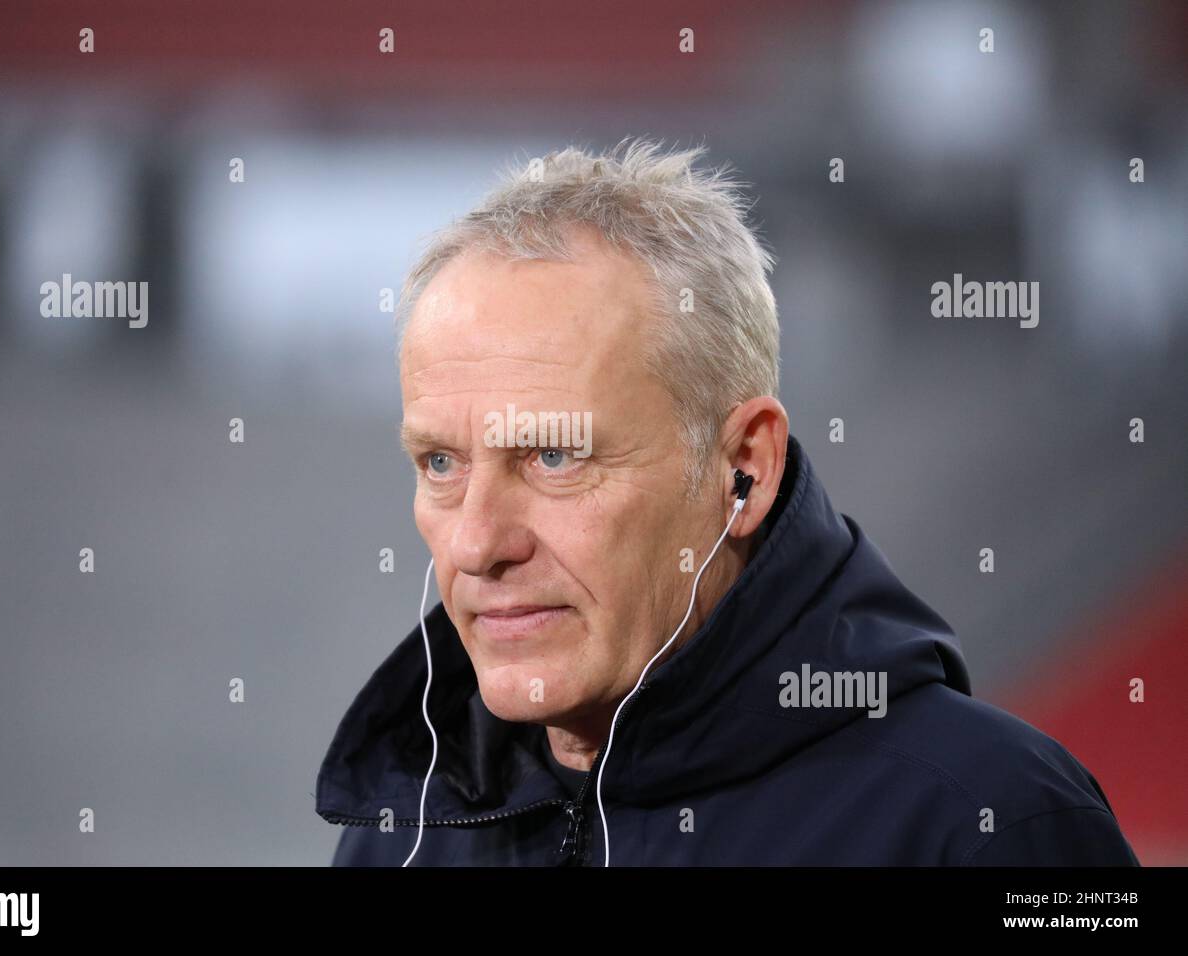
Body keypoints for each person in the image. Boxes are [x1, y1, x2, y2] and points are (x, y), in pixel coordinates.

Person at [315, 138, 1140, 866]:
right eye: (440, 463)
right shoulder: (402, 832)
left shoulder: (994, 825)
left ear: (744, 469)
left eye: (555, 455)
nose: (474, 544)